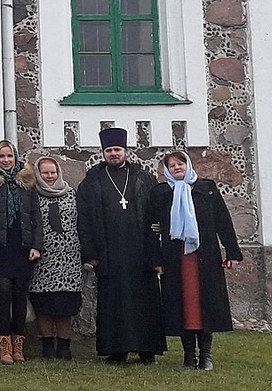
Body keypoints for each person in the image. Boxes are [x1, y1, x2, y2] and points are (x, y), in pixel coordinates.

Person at [76, 127, 165, 365]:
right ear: (102, 152)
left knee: (144, 300)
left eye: (117, 150)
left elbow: (156, 212)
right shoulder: (92, 180)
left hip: (140, 251)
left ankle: (148, 350)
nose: (114, 154)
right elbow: (83, 219)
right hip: (109, 251)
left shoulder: (142, 177)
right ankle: (117, 350)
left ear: (126, 151)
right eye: (109, 150)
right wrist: (90, 253)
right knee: (113, 302)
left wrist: (157, 247)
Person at [148, 151, 243, 371]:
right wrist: (155, 259)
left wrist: (232, 252)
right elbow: (151, 228)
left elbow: (223, 221)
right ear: (167, 170)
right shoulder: (161, 194)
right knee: (183, 306)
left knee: (205, 304)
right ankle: (189, 355)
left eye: (180, 163)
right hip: (175, 258)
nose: (177, 168)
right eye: (171, 166)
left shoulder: (206, 189)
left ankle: (206, 355)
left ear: (188, 165)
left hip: (205, 256)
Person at [0, 140, 42, 364]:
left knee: (19, 294)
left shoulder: (26, 181)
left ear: (15, 157)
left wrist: (36, 245)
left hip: (22, 246)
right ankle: (4, 344)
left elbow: (35, 215)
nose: (6, 160)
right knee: (3, 293)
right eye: (2, 156)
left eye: (9, 156)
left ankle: (18, 344)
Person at [27, 153, 82, 360]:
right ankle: (47, 345)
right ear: (38, 174)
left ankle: (64, 346)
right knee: (43, 303)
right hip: (42, 257)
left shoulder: (72, 194)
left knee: (64, 305)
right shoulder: (32, 195)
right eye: (45, 172)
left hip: (69, 257)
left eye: (53, 172)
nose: (49, 176)